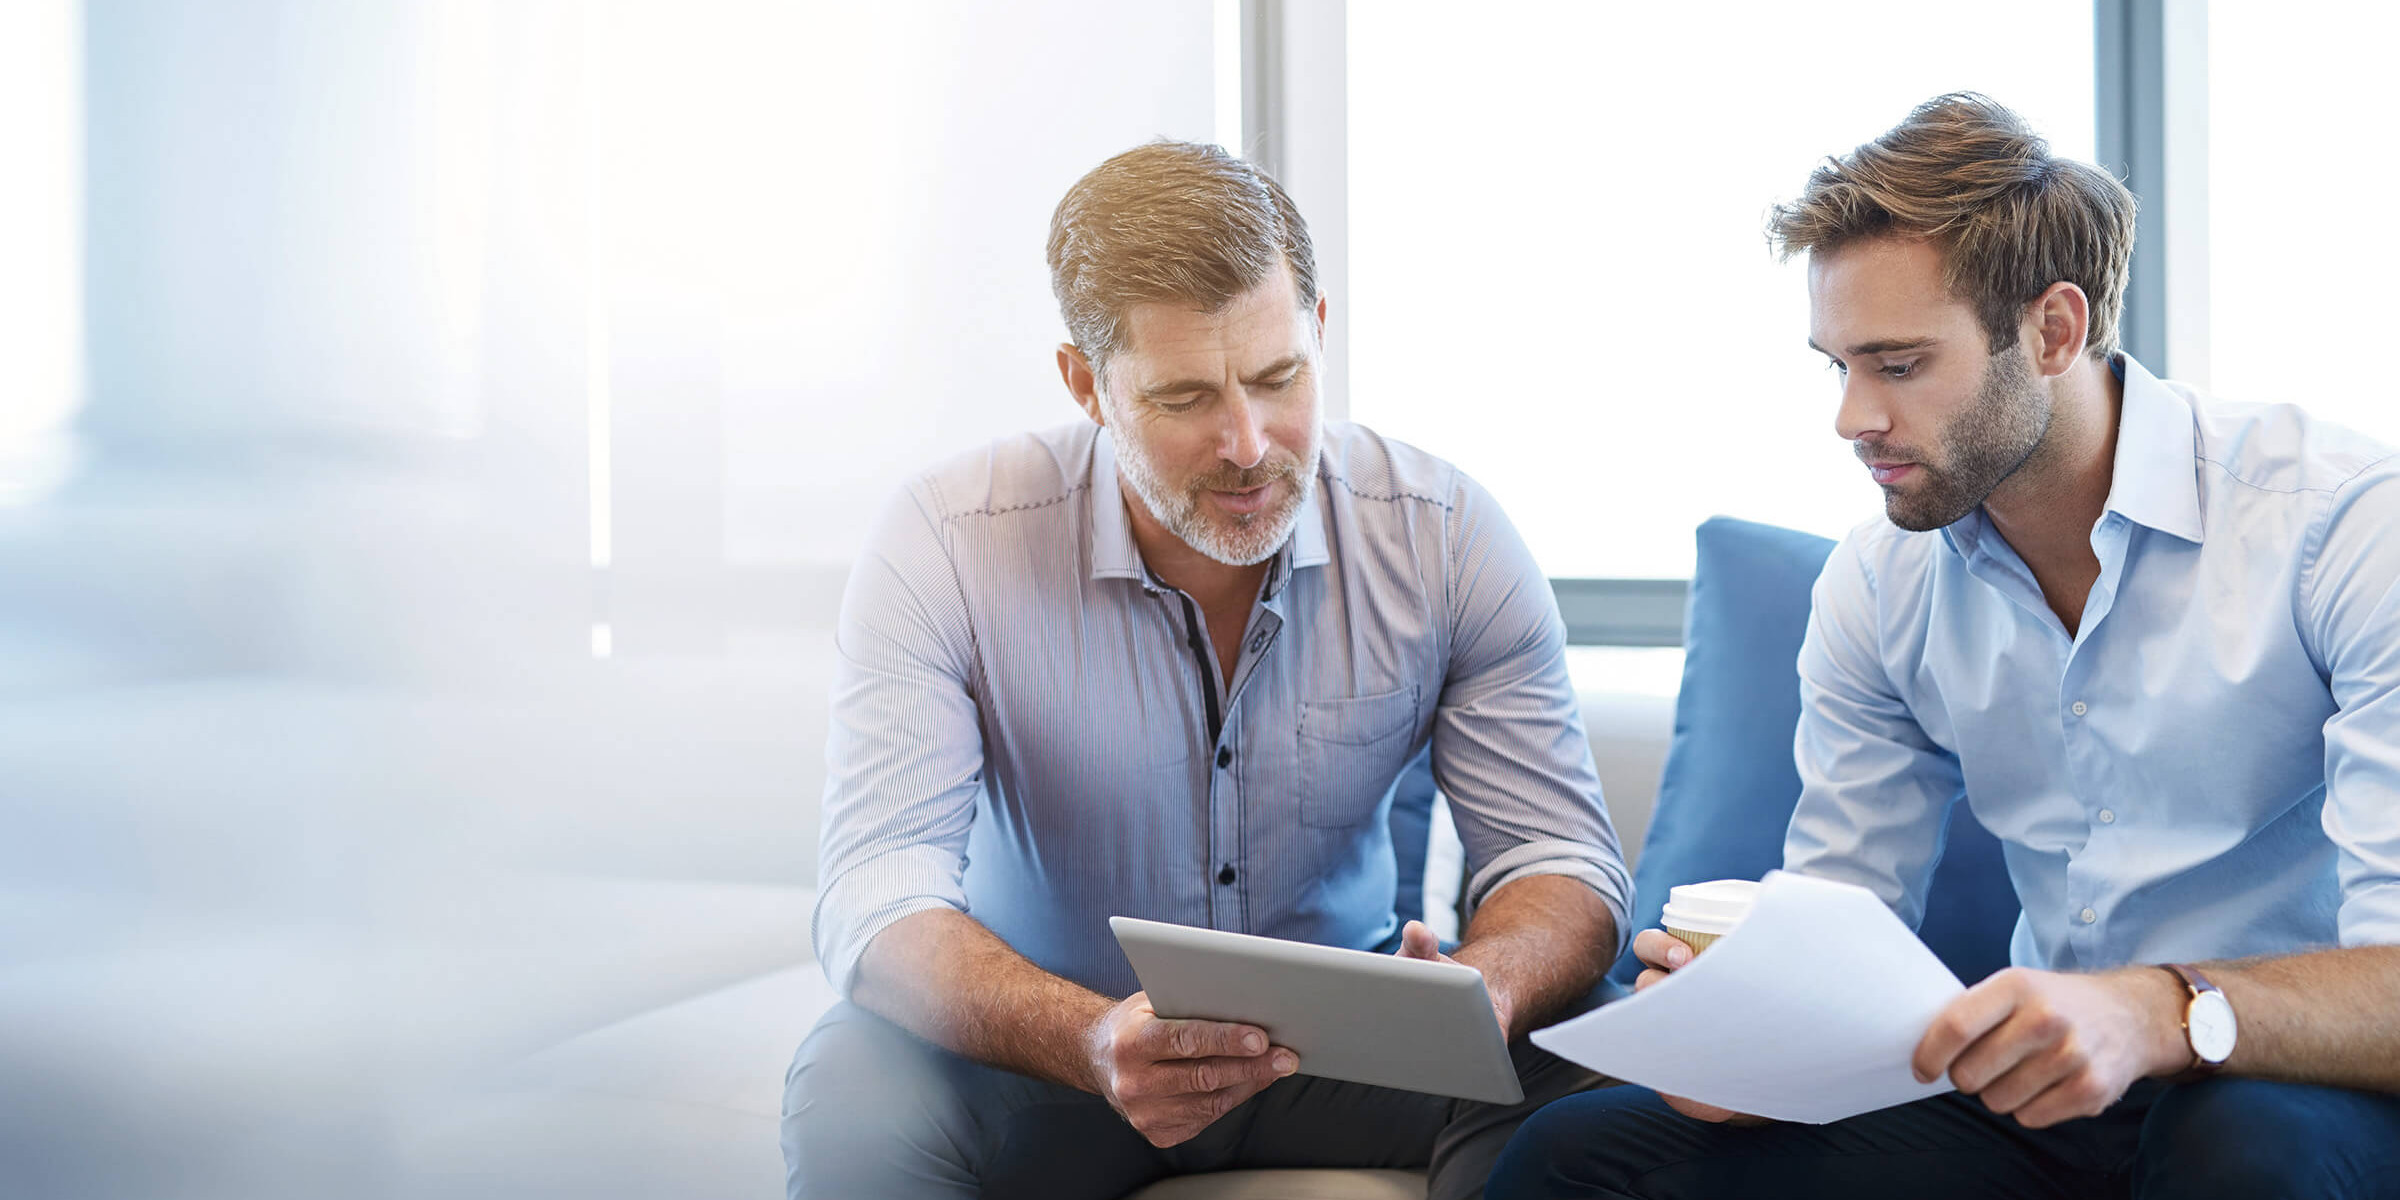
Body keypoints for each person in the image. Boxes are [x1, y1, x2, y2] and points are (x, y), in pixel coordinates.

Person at [1490, 93, 2400, 1199]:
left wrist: (2157, 1008)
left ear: (2054, 331)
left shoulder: (2338, 527)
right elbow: (1845, 916)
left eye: (1900, 365)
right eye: (1838, 367)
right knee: (1578, 1158)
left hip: (2293, 1082)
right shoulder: (1880, 583)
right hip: (2046, 1104)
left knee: (2240, 1149)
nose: (1852, 417)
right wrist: (1745, 1033)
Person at [782, 140, 1632, 1200]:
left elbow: (1561, 859)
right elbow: (878, 893)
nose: (1247, 443)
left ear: (1319, 330)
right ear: (1086, 384)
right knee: (852, 1083)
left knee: (1608, 1052)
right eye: (1185, 397)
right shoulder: (949, 539)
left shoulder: (1444, 536)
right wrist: (1090, 1038)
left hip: (1354, 1059)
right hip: (1056, 1058)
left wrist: (1487, 989)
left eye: (1279, 378)